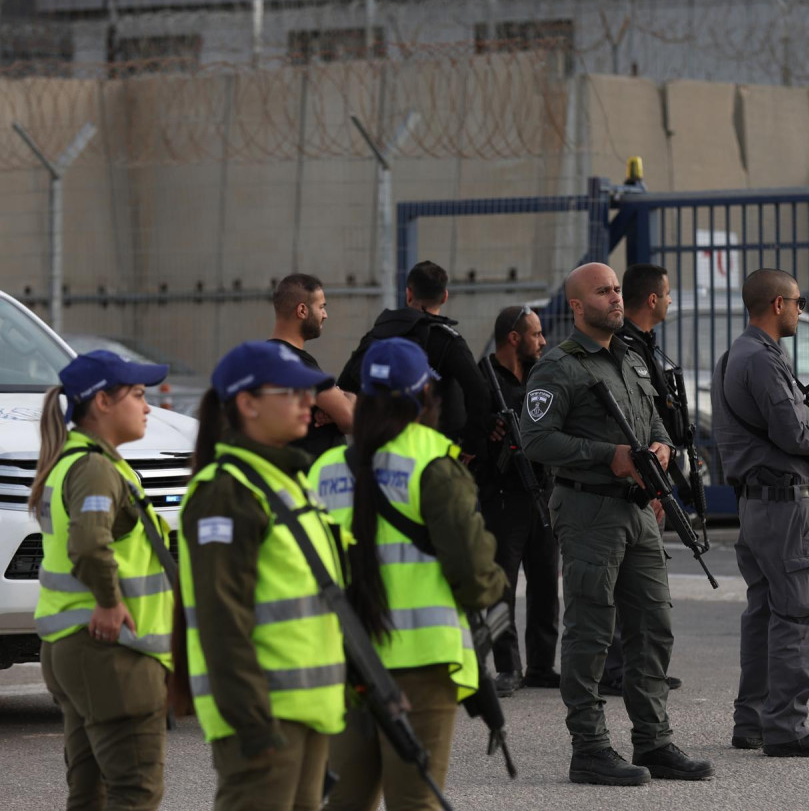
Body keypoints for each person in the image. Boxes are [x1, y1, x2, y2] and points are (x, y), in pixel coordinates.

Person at [521, 262, 713, 786]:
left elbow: (653, 423)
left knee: (653, 624)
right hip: (588, 511)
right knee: (590, 631)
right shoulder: (558, 366)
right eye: (603, 292)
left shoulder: (630, 358)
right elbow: (535, 440)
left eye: (617, 291)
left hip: (637, 510)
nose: (615, 298)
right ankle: (590, 748)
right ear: (578, 306)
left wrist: (661, 450)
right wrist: (610, 455)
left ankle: (653, 740)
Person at [309, 337, 506, 810]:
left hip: (346, 660)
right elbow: (474, 571)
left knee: (346, 801)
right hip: (421, 665)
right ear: (424, 396)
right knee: (415, 800)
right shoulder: (433, 462)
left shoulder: (326, 469)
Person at [177, 341, 346, 811]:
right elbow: (221, 620)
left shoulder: (287, 481)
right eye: (290, 392)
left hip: (308, 710)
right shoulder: (226, 492)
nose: (307, 402)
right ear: (248, 403)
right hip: (265, 716)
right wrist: (253, 724)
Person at [711, 268, 809, 758]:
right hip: (783, 508)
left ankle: (751, 720)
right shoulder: (763, 360)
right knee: (798, 613)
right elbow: (795, 436)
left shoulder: (735, 353)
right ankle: (786, 728)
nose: (801, 310)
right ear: (777, 304)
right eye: (797, 302)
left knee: (764, 615)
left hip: (754, 505)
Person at [30, 350, 174, 811]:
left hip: (74, 646)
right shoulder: (94, 467)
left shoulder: (75, 460)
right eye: (136, 395)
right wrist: (110, 601)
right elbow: (90, 544)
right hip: (110, 650)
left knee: (91, 793)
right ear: (102, 403)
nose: (148, 406)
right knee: (135, 791)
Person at [598, 263, 686, 697]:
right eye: (668, 294)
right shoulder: (622, 348)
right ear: (653, 299)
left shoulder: (643, 347)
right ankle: (619, 668)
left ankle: (642, 667)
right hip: (634, 486)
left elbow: (655, 420)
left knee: (646, 586)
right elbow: (622, 428)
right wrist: (646, 486)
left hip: (655, 477)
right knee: (621, 583)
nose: (670, 301)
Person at [476, 305, 560, 698]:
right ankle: (508, 667)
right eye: (536, 334)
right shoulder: (480, 380)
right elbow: (462, 434)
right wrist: (486, 432)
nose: (542, 341)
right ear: (514, 338)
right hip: (502, 500)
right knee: (501, 588)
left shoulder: (540, 377)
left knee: (545, 583)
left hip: (541, 492)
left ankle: (542, 665)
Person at [338, 260, 488, 459]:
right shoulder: (449, 341)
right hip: (434, 453)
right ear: (444, 297)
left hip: (380, 447)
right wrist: (469, 447)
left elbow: (345, 385)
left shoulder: (378, 334)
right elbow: (480, 394)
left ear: (409, 294)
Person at [267, 273, 354, 459]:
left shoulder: (269, 357)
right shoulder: (296, 364)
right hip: (312, 481)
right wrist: (343, 401)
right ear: (302, 311)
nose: (325, 315)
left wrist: (340, 400)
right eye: (321, 307)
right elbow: (350, 419)